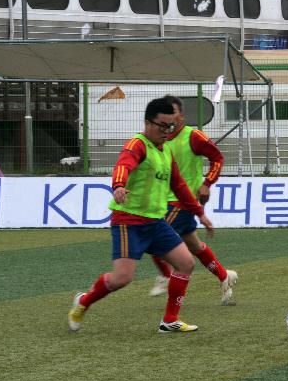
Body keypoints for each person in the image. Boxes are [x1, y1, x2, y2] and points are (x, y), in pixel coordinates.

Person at [67, 98, 213, 333]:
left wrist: (200, 214)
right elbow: (124, 165)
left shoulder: (165, 151)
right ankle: (83, 302)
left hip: (156, 222)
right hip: (129, 223)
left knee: (185, 264)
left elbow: (180, 186)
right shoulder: (138, 144)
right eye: (163, 126)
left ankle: (169, 321)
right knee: (121, 279)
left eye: (171, 126)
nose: (167, 131)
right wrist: (118, 185)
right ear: (148, 123)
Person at [149, 95, 238, 305]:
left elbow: (217, 157)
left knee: (152, 235)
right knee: (195, 246)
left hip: (181, 203)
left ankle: (165, 275)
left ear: (181, 115)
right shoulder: (160, 139)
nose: (168, 119)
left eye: (172, 113)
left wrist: (207, 183)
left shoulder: (193, 136)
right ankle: (225, 276)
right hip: (165, 201)